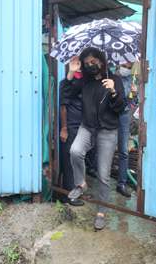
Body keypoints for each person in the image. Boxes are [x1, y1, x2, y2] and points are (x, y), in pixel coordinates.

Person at [62, 47, 126, 230]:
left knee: (103, 174)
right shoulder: (85, 82)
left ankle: (101, 211)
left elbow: (120, 108)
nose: (91, 65)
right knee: (75, 151)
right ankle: (81, 183)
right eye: (87, 63)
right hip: (88, 127)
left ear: (102, 61)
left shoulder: (114, 80)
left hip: (107, 131)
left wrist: (113, 91)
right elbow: (67, 95)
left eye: (94, 61)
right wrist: (71, 74)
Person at [59, 61, 85, 206]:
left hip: (82, 126)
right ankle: (68, 196)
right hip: (71, 126)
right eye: (75, 62)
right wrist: (64, 128)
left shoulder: (83, 80)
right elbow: (63, 106)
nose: (79, 65)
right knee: (68, 161)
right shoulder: (66, 83)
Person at [116, 63, 133, 198]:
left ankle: (121, 183)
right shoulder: (109, 74)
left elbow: (127, 95)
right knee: (104, 147)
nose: (127, 66)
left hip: (124, 114)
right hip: (109, 114)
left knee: (123, 150)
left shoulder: (129, 78)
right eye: (125, 63)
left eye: (129, 64)